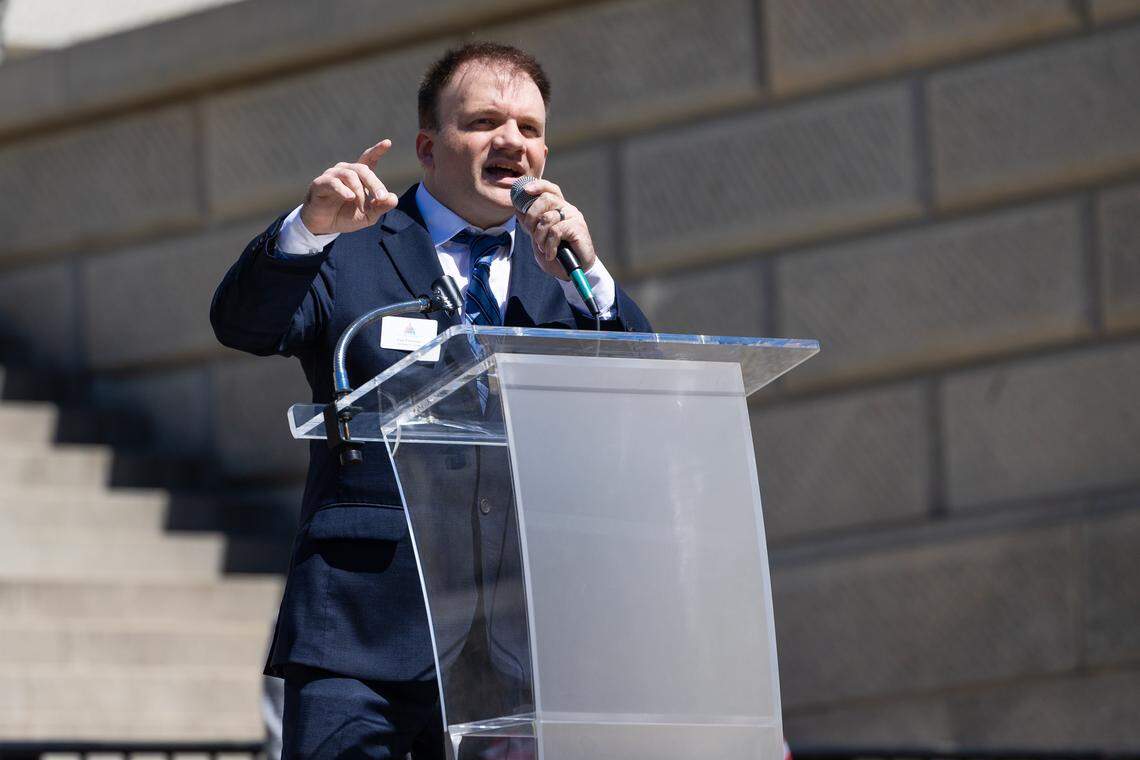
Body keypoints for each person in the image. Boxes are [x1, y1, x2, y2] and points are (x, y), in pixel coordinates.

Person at [211, 42, 651, 759]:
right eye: (484, 122)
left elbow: (645, 385)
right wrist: (308, 227)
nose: (512, 141)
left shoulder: (561, 275)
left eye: (531, 129)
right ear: (427, 146)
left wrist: (590, 275)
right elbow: (243, 324)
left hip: (520, 650)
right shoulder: (350, 246)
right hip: (363, 637)